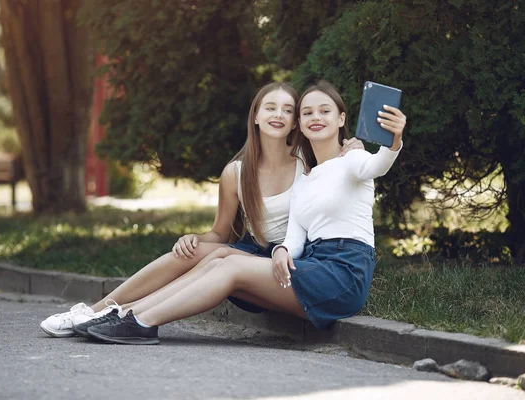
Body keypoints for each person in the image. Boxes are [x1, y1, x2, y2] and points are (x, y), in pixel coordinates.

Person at [80, 81, 406, 344]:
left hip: (345, 271)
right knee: (223, 257)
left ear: (341, 119)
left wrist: (393, 141)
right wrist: (280, 252)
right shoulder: (305, 179)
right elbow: (294, 237)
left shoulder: (354, 161)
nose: (315, 117)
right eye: (307, 112)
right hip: (311, 262)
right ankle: (129, 313)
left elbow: (378, 165)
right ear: (300, 124)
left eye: (325, 110)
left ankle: (141, 321)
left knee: (231, 263)